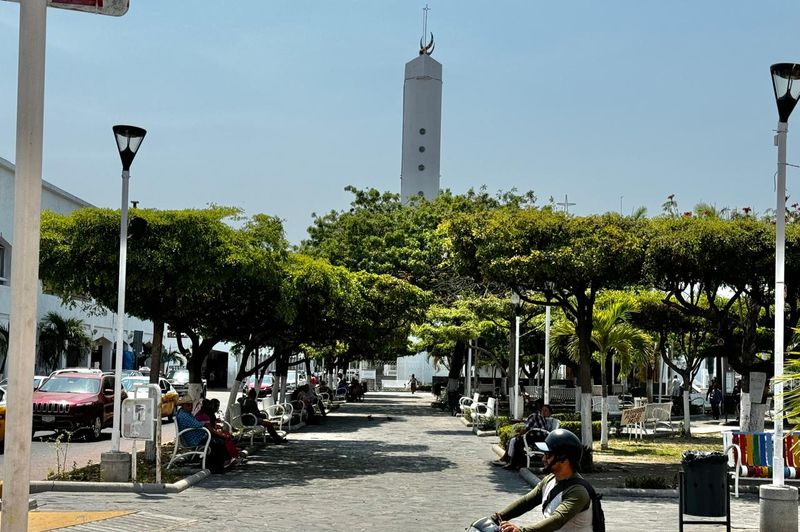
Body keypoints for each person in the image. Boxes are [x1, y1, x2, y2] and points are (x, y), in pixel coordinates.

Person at [491, 429, 595, 531]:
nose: (543, 459)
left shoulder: (577, 492)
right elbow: (526, 502)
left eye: (548, 455)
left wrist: (521, 531)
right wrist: (497, 518)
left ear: (564, 459)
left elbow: (557, 520)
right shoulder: (550, 480)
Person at [175, 395, 229, 473]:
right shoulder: (184, 415)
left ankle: (218, 464)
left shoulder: (184, 412)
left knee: (217, 441)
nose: (191, 407)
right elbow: (199, 425)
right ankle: (216, 466)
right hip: (194, 439)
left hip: (196, 436)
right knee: (217, 442)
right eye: (188, 405)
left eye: (191, 404)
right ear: (183, 405)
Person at [493, 404, 553, 471]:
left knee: (517, 441)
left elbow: (528, 428)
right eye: (542, 410)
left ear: (550, 413)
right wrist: (520, 434)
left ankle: (512, 462)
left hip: (536, 438)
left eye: (546, 411)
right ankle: (510, 461)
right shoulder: (537, 417)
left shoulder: (540, 417)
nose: (543, 412)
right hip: (535, 437)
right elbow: (528, 428)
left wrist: (520, 434)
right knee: (516, 440)